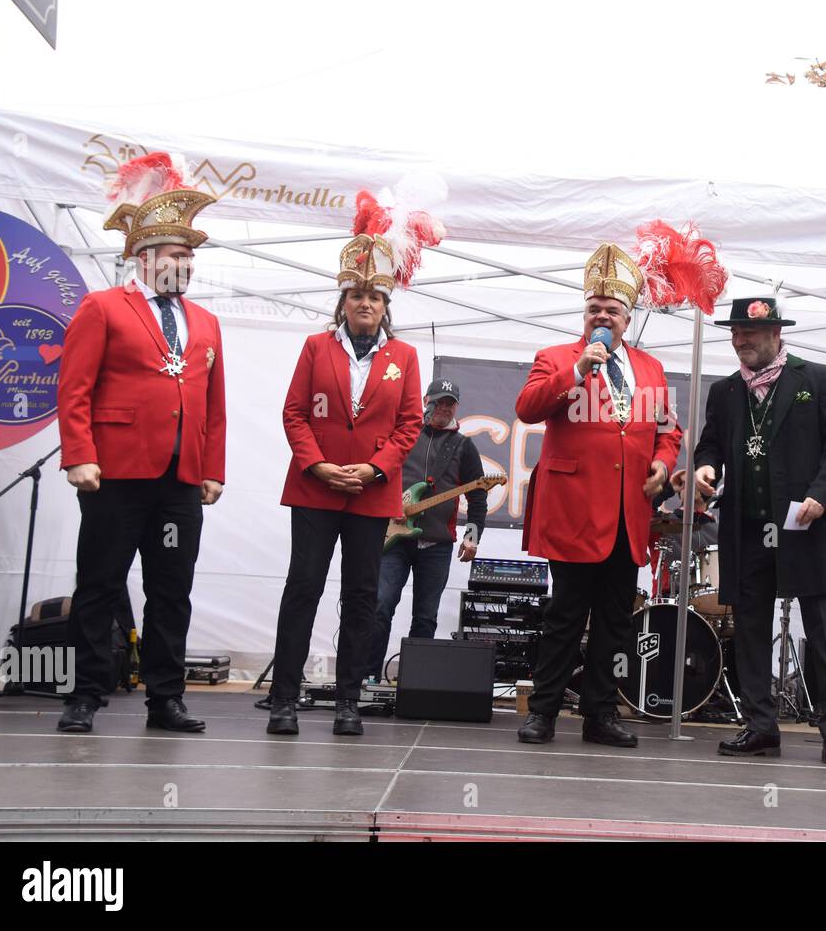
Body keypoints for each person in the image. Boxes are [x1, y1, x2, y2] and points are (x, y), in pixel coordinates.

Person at [56, 152, 225, 734]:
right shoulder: (103, 307)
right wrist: (78, 454)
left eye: (192, 258)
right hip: (116, 475)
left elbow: (214, 405)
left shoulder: (204, 322)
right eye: (179, 256)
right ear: (145, 258)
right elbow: (74, 388)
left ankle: (165, 698)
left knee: (171, 589)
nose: (189, 266)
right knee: (101, 582)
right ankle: (85, 694)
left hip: (179, 480)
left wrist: (213, 469)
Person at [265, 190, 433, 736]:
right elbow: (294, 413)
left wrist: (374, 469)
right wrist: (318, 466)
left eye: (375, 298)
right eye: (357, 295)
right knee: (304, 587)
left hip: (371, 492)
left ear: (386, 306)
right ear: (343, 301)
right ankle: (285, 699)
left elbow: (410, 424)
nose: (366, 304)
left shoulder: (403, 357)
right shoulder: (316, 347)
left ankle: (347, 702)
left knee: (361, 596)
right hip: (315, 490)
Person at [677, 296, 826, 764]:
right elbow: (709, 445)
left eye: (749, 335)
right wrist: (705, 469)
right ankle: (761, 726)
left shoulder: (815, 378)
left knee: (824, 632)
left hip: (806, 524)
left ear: (775, 334)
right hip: (747, 528)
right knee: (751, 629)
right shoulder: (726, 392)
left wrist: (823, 493)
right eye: (735, 335)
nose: (740, 342)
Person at [516, 242, 682, 747]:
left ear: (628, 318)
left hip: (628, 512)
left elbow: (668, 430)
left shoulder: (650, 369)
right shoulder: (556, 358)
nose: (602, 316)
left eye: (611, 310)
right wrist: (577, 372)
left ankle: (600, 714)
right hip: (572, 509)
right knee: (565, 615)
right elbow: (527, 408)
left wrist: (663, 462)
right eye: (594, 309)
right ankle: (543, 711)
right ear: (584, 315)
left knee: (615, 620)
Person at [367, 378, 488, 678]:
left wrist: (472, 537)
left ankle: (414, 683)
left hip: (437, 544)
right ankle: (365, 677)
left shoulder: (464, 446)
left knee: (425, 617)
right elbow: (378, 475)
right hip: (392, 540)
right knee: (380, 606)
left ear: (456, 407)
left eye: (450, 403)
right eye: (438, 401)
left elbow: (478, 495)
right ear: (425, 401)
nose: (443, 407)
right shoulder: (404, 436)